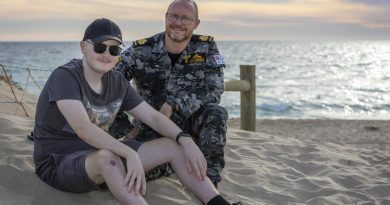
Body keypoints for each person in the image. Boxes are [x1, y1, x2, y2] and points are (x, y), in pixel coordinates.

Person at [32, 18, 236, 205]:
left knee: (171, 145)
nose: (106, 55)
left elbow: (154, 118)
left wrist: (185, 139)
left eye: (114, 50)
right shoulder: (65, 76)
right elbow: (83, 128)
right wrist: (128, 152)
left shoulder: (116, 81)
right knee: (107, 158)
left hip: (98, 155)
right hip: (59, 162)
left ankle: (216, 202)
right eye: (100, 47)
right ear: (84, 47)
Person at [114, 0, 227, 187]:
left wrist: (175, 105)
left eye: (185, 18)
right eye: (173, 16)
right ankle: (178, 164)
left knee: (216, 113)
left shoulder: (206, 47)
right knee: (129, 172)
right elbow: (110, 84)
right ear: (166, 17)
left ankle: (210, 181)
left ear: (196, 23)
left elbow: (214, 88)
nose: (178, 23)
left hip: (191, 126)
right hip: (152, 127)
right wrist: (125, 128)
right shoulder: (142, 50)